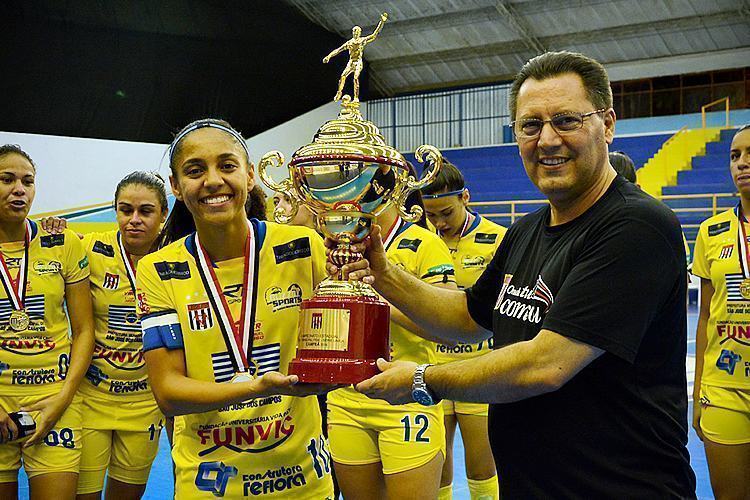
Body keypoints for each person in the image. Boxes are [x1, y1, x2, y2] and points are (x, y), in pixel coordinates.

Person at [339, 51, 696, 498]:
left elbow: (546, 365)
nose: (546, 139)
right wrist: (385, 274)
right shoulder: (528, 229)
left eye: (565, 120)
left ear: (607, 125)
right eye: (530, 125)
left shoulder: (636, 227)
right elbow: (468, 318)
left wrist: (420, 381)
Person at [135, 118, 336, 498]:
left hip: (302, 481)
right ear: (176, 186)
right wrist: (255, 386)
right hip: (209, 483)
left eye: (227, 165)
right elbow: (168, 391)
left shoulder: (304, 248)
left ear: (250, 175)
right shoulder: (159, 269)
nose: (213, 181)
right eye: (195, 171)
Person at [326, 173, 456, 500]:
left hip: (407, 397)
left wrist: (379, 294)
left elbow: (447, 332)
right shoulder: (332, 245)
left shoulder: (425, 243)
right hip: (346, 399)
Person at [0, 145, 95, 499]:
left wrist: (64, 397)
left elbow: (85, 329)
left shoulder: (63, 243)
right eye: (6, 179)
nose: (19, 189)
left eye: (28, 181)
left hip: (53, 401)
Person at [73, 172, 169, 499]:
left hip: (145, 402)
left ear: (163, 214)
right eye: (125, 210)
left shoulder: (176, 257)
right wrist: (51, 230)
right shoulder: (91, 248)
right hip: (91, 397)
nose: (134, 220)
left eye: (146, 211)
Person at [421, 159, 504, 500]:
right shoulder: (421, 243)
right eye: (432, 215)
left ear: (465, 198)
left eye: (446, 213)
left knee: (482, 465)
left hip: (479, 369)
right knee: (436, 462)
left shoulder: (498, 239)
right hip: (432, 367)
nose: (439, 223)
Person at [691, 124, 750, 500]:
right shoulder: (711, 231)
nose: (742, 163)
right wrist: (698, 392)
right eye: (735, 155)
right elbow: (705, 317)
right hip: (724, 386)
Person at [323, 12, 388, 102]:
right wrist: (328, 56)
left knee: (355, 78)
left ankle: (356, 97)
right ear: (352, 32)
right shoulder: (349, 43)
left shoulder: (362, 41)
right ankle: (339, 92)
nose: (355, 33)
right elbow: (338, 50)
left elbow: (374, 35)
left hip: (358, 62)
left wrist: (382, 22)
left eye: (357, 31)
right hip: (351, 62)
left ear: (359, 33)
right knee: (343, 76)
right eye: (354, 31)